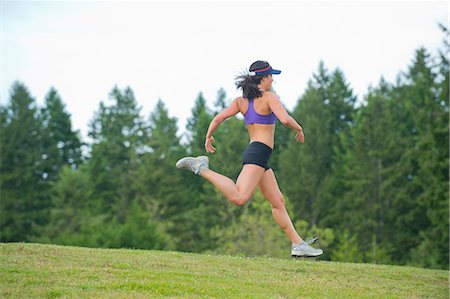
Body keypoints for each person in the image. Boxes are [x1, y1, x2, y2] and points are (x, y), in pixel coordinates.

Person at [176, 60, 323, 257]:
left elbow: (219, 118)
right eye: (271, 76)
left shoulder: (241, 101)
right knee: (239, 197)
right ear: (263, 78)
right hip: (258, 152)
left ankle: (298, 245)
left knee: (277, 202)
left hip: (259, 153)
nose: (272, 79)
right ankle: (201, 167)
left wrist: (208, 135)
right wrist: (299, 129)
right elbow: (285, 119)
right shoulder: (270, 97)